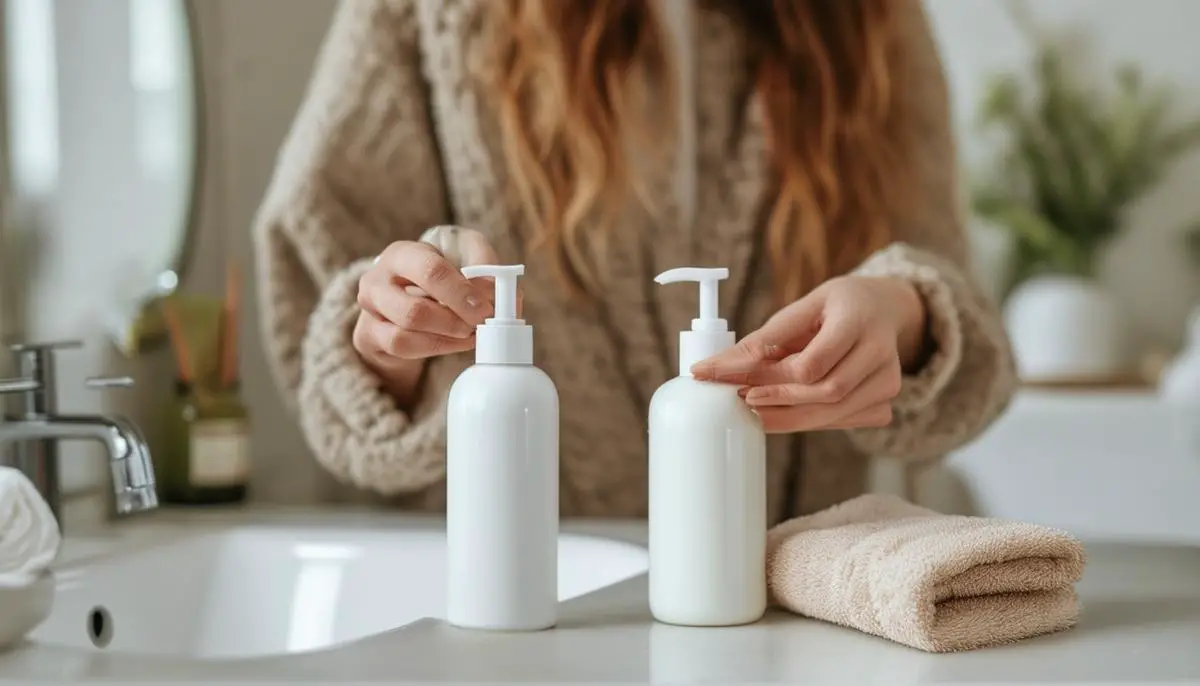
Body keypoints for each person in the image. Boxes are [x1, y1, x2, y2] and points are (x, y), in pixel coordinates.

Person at [254, 0, 1016, 522]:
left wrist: (905, 318)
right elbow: (321, 278)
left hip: (777, 603)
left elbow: (965, 319)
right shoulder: (432, 13)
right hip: (518, 599)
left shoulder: (867, 19)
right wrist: (395, 337)